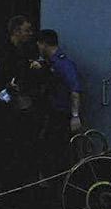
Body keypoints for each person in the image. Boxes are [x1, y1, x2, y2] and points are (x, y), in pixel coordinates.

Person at [0, 14, 40, 194]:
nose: (30, 34)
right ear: (16, 31)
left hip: (18, 111)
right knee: (2, 152)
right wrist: (9, 97)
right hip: (1, 112)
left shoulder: (24, 52)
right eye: (27, 30)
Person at [30, 28, 83, 176]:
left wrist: (75, 115)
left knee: (59, 153)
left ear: (44, 44)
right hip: (50, 113)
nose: (38, 49)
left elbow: (75, 90)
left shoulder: (63, 64)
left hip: (60, 115)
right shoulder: (48, 64)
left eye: (39, 45)